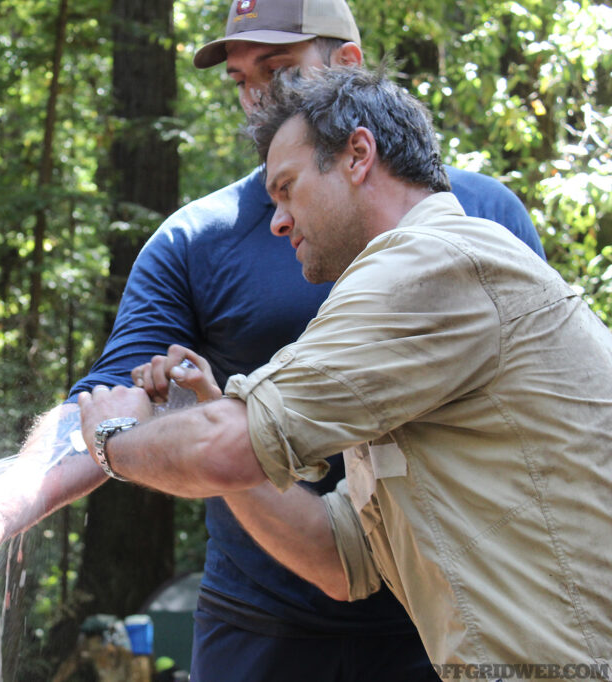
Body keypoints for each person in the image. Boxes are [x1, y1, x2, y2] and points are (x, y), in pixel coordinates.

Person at [0, 0, 545, 678]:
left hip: (452, 618)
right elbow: (109, 402)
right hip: (262, 622)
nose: (257, 99)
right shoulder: (198, 239)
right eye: (240, 80)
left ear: (347, 67)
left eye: (280, 72)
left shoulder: (475, 215)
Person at [76, 65, 612, 673]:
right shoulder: (412, 318)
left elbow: (226, 449)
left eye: (287, 187)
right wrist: (205, 418)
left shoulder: (430, 265)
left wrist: (114, 437)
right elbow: (339, 560)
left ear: (358, 155)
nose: (276, 221)